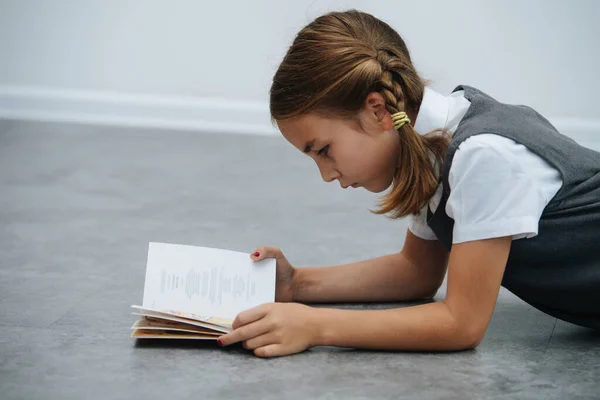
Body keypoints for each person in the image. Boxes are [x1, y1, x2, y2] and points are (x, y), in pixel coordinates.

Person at [217, 9, 600, 358]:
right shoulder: (428, 142)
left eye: (324, 150)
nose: (326, 174)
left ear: (377, 110)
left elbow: (461, 323)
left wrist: (316, 325)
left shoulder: (482, 156)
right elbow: (416, 272)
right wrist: (297, 285)